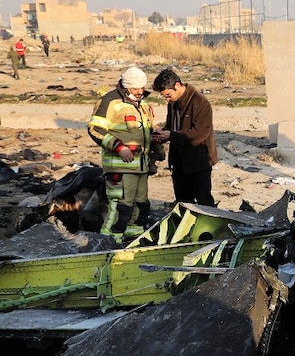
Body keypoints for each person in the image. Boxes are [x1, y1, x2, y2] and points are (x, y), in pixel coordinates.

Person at [87, 67, 156, 242]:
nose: (140, 92)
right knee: (121, 206)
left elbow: (145, 132)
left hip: (141, 166)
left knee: (141, 204)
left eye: (142, 87)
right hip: (120, 166)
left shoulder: (143, 103)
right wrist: (119, 147)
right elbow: (95, 129)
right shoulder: (110, 101)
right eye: (136, 89)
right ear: (126, 87)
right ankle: (109, 239)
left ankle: (132, 233)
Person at [152, 68, 218, 206]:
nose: (167, 99)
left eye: (168, 95)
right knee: (182, 202)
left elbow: (200, 133)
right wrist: (161, 134)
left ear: (177, 85)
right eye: (164, 96)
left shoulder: (200, 102)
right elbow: (171, 127)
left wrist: (171, 135)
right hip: (179, 161)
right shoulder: (172, 103)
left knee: (204, 202)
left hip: (199, 161)